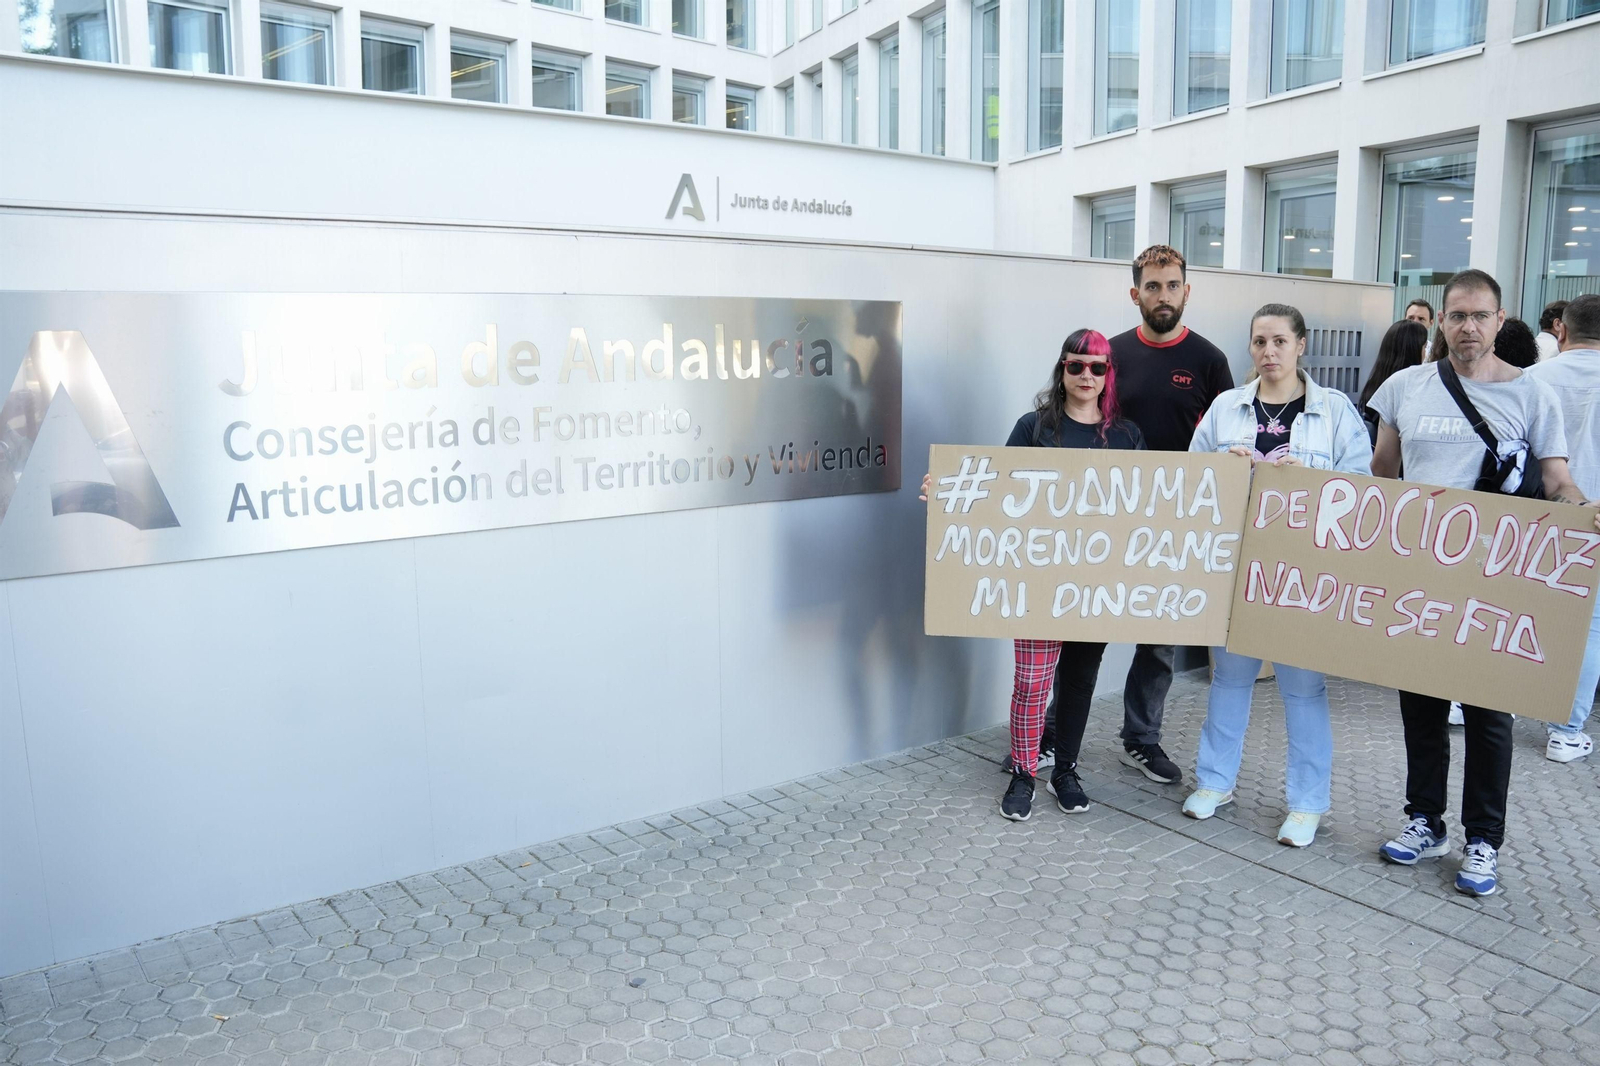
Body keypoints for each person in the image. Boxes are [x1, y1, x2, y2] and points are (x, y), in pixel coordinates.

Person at [1368, 269, 1594, 897]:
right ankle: (1423, 821)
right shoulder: (1403, 388)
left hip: (1495, 588)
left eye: (1479, 316)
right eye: (1457, 316)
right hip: (1423, 581)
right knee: (1422, 704)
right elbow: (1383, 477)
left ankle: (1483, 840)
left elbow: (1556, 480)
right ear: (1441, 320)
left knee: (1491, 713)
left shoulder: (1532, 396)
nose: (1467, 327)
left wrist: (1581, 506)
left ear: (1500, 321)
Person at [923, 330, 1146, 820]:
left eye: (1098, 368)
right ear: (1061, 370)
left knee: (1080, 683)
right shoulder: (1034, 427)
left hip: (1096, 586)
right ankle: (1025, 772)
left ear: (1109, 375)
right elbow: (997, 489)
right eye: (1076, 366)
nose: (1087, 375)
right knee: (1031, 682)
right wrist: (949, 492)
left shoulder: (1128, 437)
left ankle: (1064, 769)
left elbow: (1147, 510)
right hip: (1038, 582)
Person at [1183, 304, 1373, 846]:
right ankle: (1215, 783)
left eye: (1280, 342)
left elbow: (1364, 490)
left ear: (1300, 346)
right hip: (1238, 569)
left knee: (1302, 689)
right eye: (1260, 342)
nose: (1269, 352)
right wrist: (1226, 469)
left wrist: (1309, 478)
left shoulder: (1334, 411)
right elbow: (1190, 479)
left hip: (1302, 573)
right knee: (1230, 679)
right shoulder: (1226, 408)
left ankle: (1307, 803)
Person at [1073, 245, 1234, 786]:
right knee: (1084, 626)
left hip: (1177, 523)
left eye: (1172, 286)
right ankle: (1053, 733)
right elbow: (1078, 417)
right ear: (1134, 292)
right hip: (1107, 516)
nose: (1162, 296)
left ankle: (1140, 740)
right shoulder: (1111, 354)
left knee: (1159, 635)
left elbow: (1227, 438)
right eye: (1152, 286)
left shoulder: (1210, 361)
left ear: (1187, 291)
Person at [1528, 294, 1600, 763]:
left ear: (1561, 330)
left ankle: (1478, 702)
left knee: (1516, 609)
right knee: (1589, 625)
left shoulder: (1532, 379)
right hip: (1595, 517)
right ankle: (1566, 731)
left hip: (1535, 513)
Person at [1358, 320, 1428, 445]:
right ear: (1413, 351)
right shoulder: (1408, 392)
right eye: (1425, 347)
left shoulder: (1373, 385)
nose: (1426, 353)